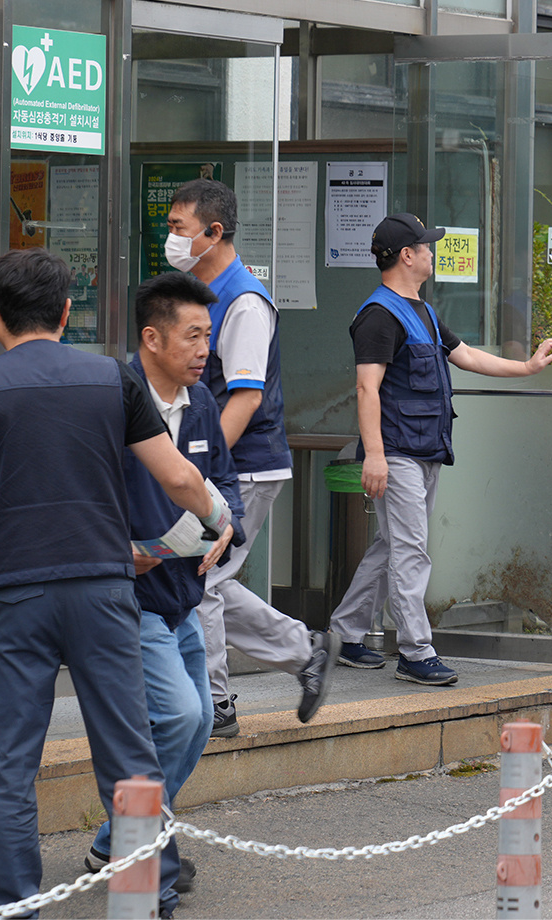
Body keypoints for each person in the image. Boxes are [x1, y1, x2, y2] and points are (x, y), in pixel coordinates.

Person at [0, 248, 232, 914]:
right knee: (129, 753)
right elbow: (178, 477)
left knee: (10, 763)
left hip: (16, 593)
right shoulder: (111, 380)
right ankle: (143, 897)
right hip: (103, 589)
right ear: (67, 312)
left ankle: (11, 904)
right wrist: (220, 517)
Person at [330, 213, 552, 686]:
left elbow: (466, 355)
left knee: (393, 546)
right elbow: (366, 389)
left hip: (425, 450)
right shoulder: (379, 316)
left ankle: (344, 634)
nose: (432, 252)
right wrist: (374, 455)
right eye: (425, 245)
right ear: (406, 256)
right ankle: (415, 652)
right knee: (410, 551)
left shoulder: (424, 310)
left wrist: (526, 368)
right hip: (397, 452)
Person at [78, 273, 243, 910]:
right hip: (131, 597)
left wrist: (227, 528)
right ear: (152, 338)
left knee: (198, 723)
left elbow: (223, 483)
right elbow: (85, 495)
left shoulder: (200, 404)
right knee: (177, 716)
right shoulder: (110, 399)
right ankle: (138, 849)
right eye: (192, 336)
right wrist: (117, 550)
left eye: (208, 336)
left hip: (184, 593)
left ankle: (117, 839)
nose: (205, 350)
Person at [165, 179, 336, 737]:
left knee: (202, 580)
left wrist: (202, 471)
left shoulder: (243, 301)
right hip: (227, 464)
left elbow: (245, 397)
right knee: (205, 576)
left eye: (179, 228)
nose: (171, 238)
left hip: (245, 466)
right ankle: (306, 651)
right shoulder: (206, 295)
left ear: (214, 232)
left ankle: (215, 703)